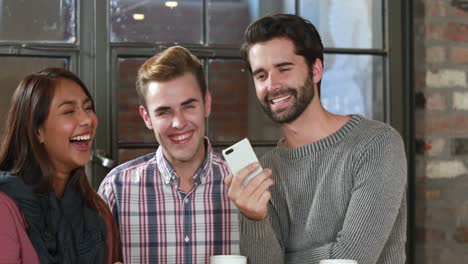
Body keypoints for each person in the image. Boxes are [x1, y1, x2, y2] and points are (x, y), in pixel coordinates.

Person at [225, 14, 407, 264]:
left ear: (316, 70)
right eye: (261, 75)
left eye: (284, 69)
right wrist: (253, 217)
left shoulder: (377, 145)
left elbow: (350, 259)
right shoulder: (266, 173)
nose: (272, 84)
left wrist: (286, 257)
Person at [98, 46, 240, 263]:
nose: (179, 123)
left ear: (207, 104)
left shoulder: (244, 182)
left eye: (189, 106)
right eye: (164, 111)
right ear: (146, 117)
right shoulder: (116, 188)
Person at [0, 68, 122, 263]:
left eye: (88, 108)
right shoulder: (5, 208)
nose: (87, 120)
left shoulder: (98, 209)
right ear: (37, 130)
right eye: (69, 111)